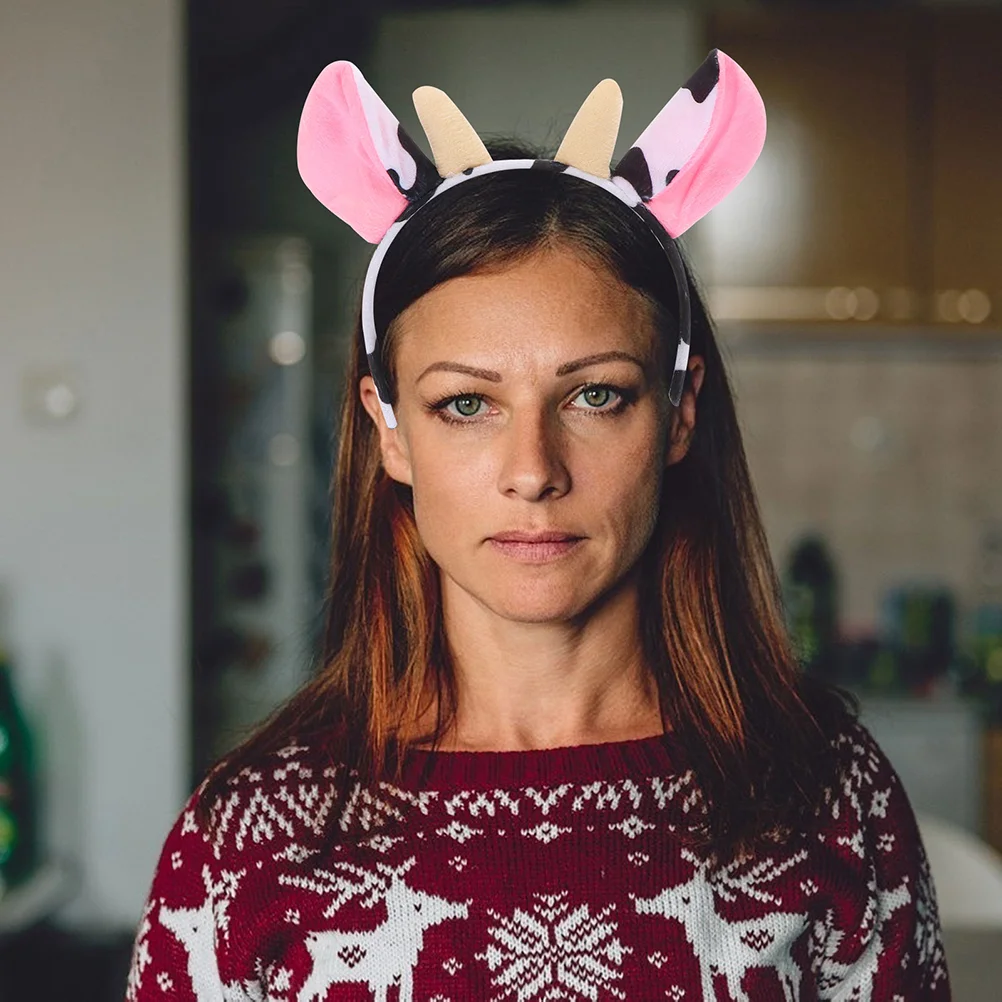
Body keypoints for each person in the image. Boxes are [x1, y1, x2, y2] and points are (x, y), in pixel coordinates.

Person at [125, 53, 951, 1001]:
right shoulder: (246, 838)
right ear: (388, 429)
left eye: (597, 395)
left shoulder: (825, 796)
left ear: (679, 412)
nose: (534, 471)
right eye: (466, 405)